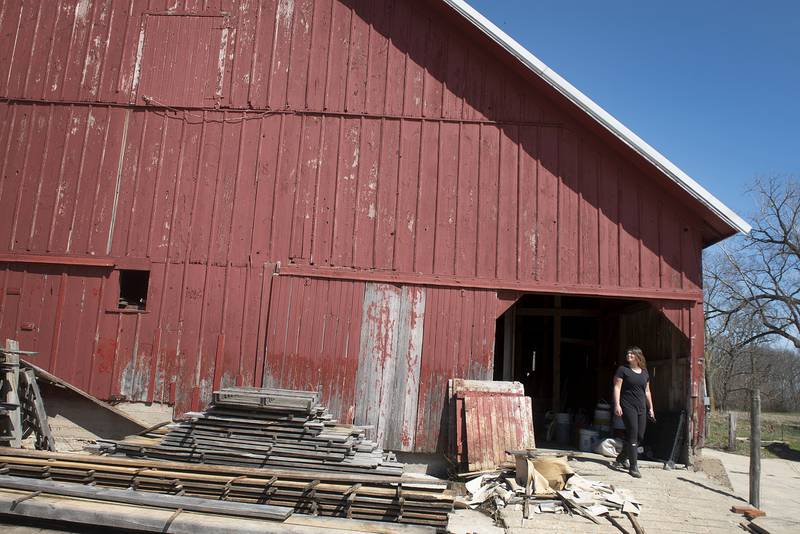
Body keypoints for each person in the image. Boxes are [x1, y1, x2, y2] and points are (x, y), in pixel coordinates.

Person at [612, 346, 655, 478]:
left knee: (640, 436)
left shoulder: (644, 372)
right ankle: (633, 466)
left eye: (632, 353)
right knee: (632, 433)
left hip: (641, 407)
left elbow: (647, 391)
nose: (629, 355)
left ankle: (621, 458)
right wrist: (617, 404)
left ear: (638, 356)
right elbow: (617, 387)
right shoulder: (623, 370)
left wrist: (651, 408)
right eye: (628, 353)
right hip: (627, 406)